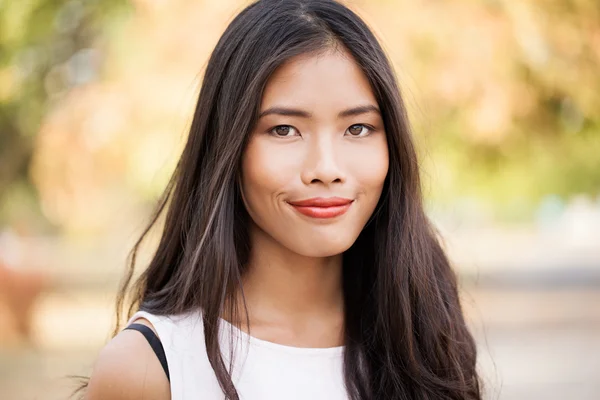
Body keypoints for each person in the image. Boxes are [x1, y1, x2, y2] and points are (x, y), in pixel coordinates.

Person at [86, 0, 481, 399]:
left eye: (358, 128)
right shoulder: (149, 368)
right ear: (228, 146)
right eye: (284, 130)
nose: (326, 168)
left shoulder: (423, 337)